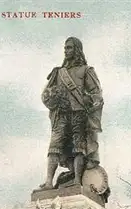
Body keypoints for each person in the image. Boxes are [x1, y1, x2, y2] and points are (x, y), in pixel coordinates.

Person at [40, 37, 104, 189]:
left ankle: (76, 180)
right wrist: (53, 98)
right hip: (61, 114)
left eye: (69, 48)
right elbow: (46, 95)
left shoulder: (86, 70)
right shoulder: (58, 72)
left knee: (78, 148)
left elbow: (96, 94)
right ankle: (49, 182)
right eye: (65, 48)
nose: (66, 51)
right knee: (54, 147)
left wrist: (89, 100)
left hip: (79, 113)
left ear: (77, 50)